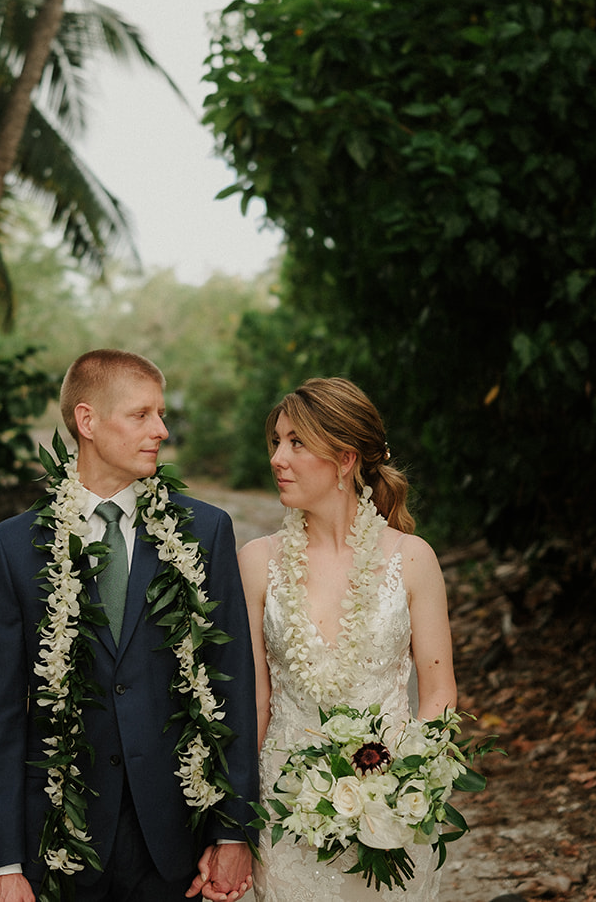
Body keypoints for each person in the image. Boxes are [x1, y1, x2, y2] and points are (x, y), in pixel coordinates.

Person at [0, 349, 260, 902]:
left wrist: (231, 830)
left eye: (161, 413)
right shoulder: (12, 548)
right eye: (142, 415)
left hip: (177, 838)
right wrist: (3, 863)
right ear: (87, 421)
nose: (162, 430)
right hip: (59, 840)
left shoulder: (207, 532)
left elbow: (232, 686)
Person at [238, 378, 458, 901]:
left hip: (392, 814)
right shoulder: (257, 562)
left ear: (344, 459)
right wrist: (236, 821)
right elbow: (256, 702)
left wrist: (403, 786)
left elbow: (439, 693)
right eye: (276, 442)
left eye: (296, 443)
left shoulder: (413, 558)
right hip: (285, 813)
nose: (277, 459)